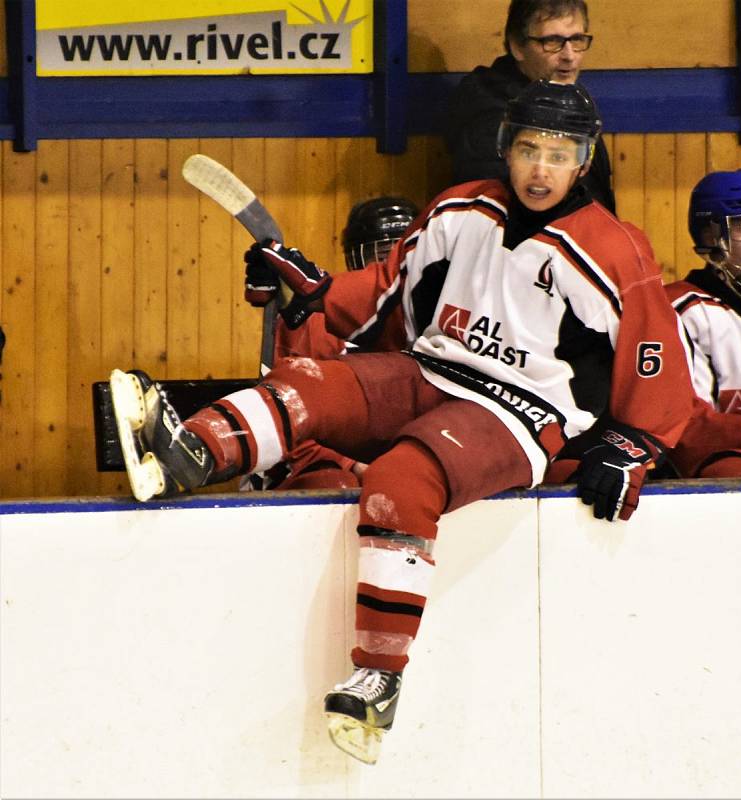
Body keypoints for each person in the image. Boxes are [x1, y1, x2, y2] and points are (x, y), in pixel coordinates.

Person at [109, 80, 693, 764]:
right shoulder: (459, 207)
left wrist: (638, 443)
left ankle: (379, 677)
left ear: (583, 160)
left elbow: (651, 352)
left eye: (559, 153)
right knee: (308, 388)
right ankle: (194, 454)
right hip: (429, 368)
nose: (541, 167)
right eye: (529, 148)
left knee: (400, 478)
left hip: (521, 411)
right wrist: (312, 297)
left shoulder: (613, 249)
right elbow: (381, 288)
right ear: (507, 146)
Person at [241, 195, 419, 490]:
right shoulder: (315, 322)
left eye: (401, 256)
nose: (389, 267)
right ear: (355, 257)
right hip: (325, 464)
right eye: (381, 254)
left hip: (408, 459)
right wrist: (354, 466)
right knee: (334, 483)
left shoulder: (438, 319)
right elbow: (291, 421)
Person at [445, 0, 616, 214]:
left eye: (577, 39)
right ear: (517, 46)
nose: (569, 56)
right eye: (553, 41)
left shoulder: (570, 101)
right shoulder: (491, 117)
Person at [662, 170, 741, 478]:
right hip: (718, 467)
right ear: (709, 235)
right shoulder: (679, 308)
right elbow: (685, 427)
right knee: (736, 469)